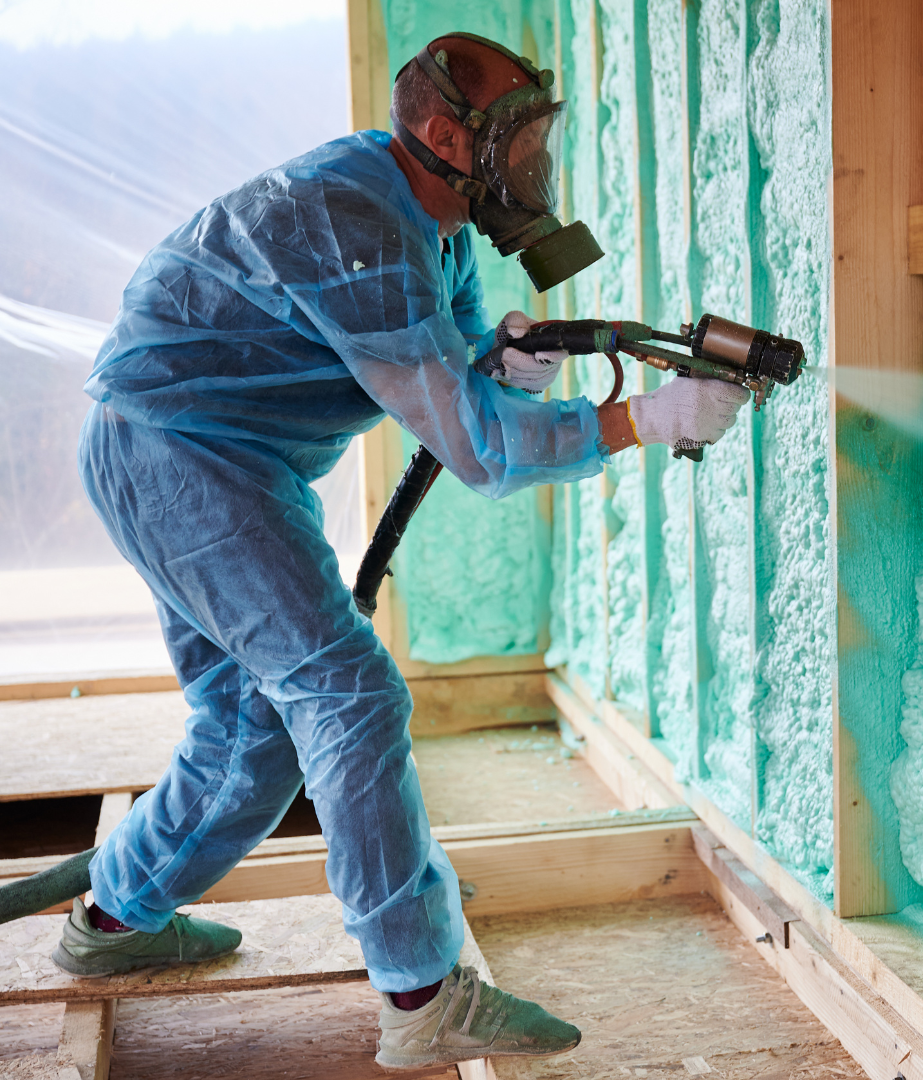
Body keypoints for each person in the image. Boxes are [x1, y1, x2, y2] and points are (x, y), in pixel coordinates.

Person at [62, 32, 748, 1069]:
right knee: (346, 695)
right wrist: (642, 420)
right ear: (445, 133)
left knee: (257, 720)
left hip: (209, 456)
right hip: (182, 455)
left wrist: (507, 366)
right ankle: (420, 992)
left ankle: (116, 920)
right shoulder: (355, 219)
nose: (535, 169)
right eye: (521, 144)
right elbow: (476, 451)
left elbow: (460, 388)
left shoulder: (437, 226)